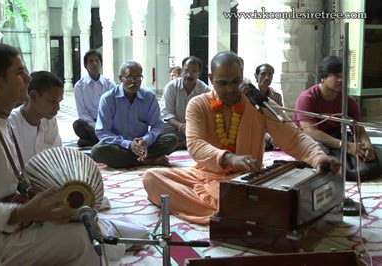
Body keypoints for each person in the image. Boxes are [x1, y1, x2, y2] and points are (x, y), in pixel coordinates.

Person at [0, 43, 99, 265]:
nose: (27, 78)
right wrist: (23, 213)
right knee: (82, 239)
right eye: (19, 72)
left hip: (4, 231)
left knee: (85, 225)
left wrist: (42, 204)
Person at [142, 52, 340, 225]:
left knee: (248, 196)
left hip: (247, 179)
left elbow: (293, 138)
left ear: (243, 76)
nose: (230, 89)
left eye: (236, 81)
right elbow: (195, 144)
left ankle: (228, 207)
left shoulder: (258, 104)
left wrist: (318, 157)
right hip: (204, 174)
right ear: (211, 79)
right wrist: (229, 158)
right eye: (222, 83)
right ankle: (230, 209)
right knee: (151, 178)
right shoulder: (198, 104)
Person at [294, 56, 382, 181]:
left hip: (335, 136)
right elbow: (310, 131)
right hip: (310, 139)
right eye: (336, 76)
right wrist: (345, 146)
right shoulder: (307, 98)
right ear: (323, 77)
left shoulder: (348, 100)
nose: (341, 80)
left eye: (343, 76)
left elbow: (358, 128)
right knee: (322, 155)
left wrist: (367, 146)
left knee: (366, 151)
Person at [91, 60, 179, 168]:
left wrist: (145, 140)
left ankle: (132, 159)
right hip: (119, 145)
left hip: (143, 146)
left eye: (138, 77)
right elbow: (102, 131)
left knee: (172, 140)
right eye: (129, 77)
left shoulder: (149, 97)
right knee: (97, 151)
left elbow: (157, 125)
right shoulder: (108, 99)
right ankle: (149, 160)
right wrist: (128, 144)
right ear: (121, 78)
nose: (134, 81)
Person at [9, 71, 63, 163]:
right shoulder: (11, 124)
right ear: (34, 96)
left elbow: (57, 157)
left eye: (59, 101)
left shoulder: (51, 122)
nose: (57, 107)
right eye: (53, 101)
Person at [161, 56, 209, 149]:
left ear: (199, 73)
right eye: (186, 71)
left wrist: (191, 128)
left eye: (194, 72)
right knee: (161, 128)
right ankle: (188, 143)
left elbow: (207, 115)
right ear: (181, 71)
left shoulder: (204, 90)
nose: (189, 75)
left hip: (195, 128)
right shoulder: (171, 87)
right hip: (174, 127)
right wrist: (181, 126)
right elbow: (167, 113)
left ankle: (180, 144)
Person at [73, 50, 116, 147]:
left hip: (107, 122)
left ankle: (92, 140)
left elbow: (114, 109)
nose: (94, 64)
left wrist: (104, 125)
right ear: (85, 65)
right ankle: (106, 139)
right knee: (77, 125)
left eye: (97, 61)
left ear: (101, 64)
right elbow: (82, 113)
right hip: (90, 124)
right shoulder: (79, 86)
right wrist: (96, 127)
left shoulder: (110, 84)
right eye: (91, 61)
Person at [254, 63, 283, 151]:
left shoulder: (276, 96)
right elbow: (254, 124)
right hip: (255, 134)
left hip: (272, 135)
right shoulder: (249, 96)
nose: (267, 77)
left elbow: (278, 121)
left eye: (270, 75)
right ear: (256, 76)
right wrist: (269, 137)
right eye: (263, 74)